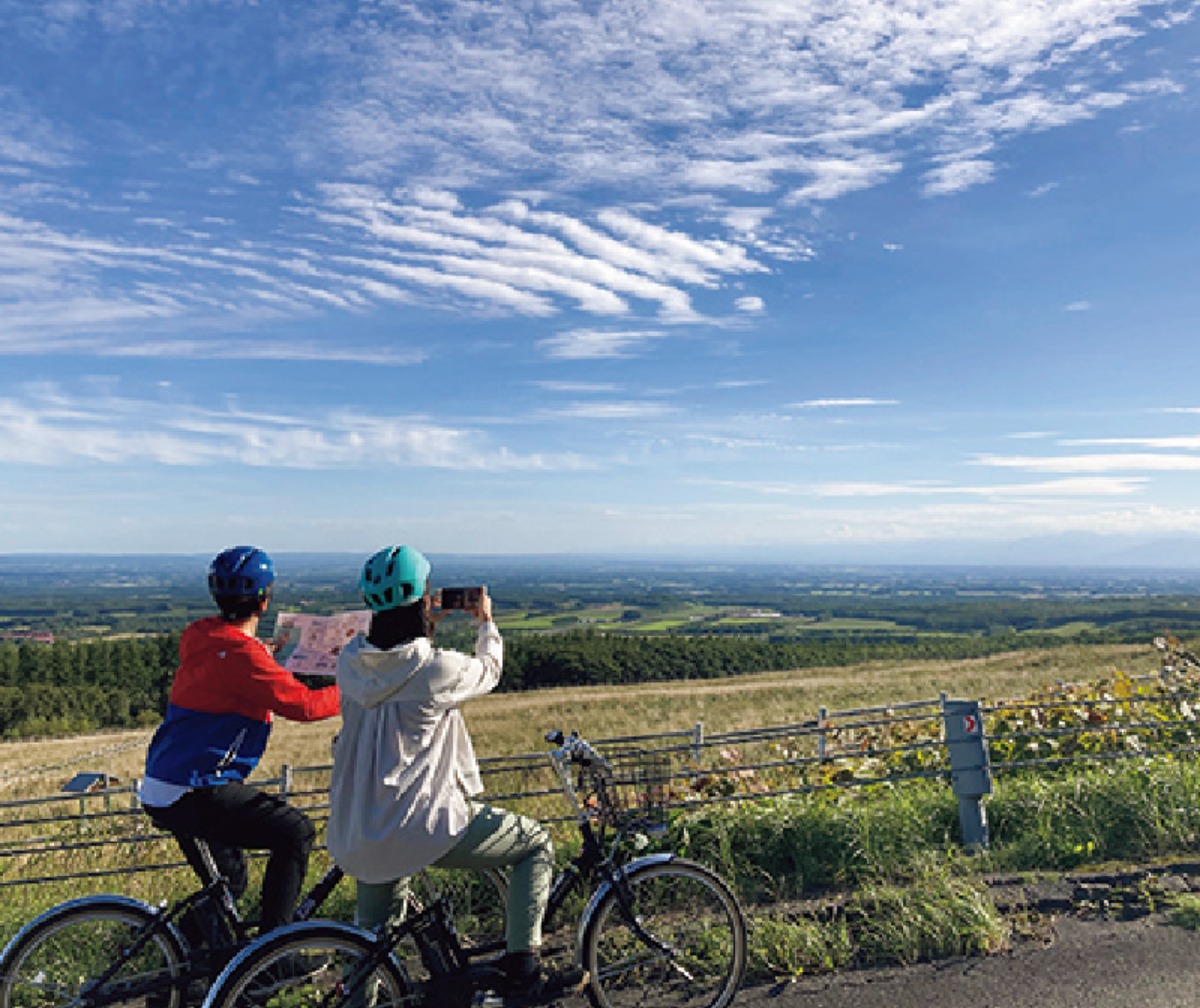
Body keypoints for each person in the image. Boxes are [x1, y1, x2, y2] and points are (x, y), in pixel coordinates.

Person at [327, 545, 564, 1003]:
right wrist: (485, 622)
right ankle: (523, 967)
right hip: (423, 824)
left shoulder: (349, 664)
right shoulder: (437, 668)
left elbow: (389, 669)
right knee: (534, 843)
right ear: (424, 597)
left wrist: (422, 628)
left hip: (361, 826)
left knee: (370, 944)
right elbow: (490, 670)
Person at [138, 546, 341, 936]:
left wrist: (263, 654)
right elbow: (306, 706)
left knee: (229, 883)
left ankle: (186, 963)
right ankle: (272, 952)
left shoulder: (202, 638)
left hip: (164, 784)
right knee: (295, 833)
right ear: (265, 601)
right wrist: (353, 685)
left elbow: (227, 666)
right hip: (197, 787)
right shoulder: (242, 656)